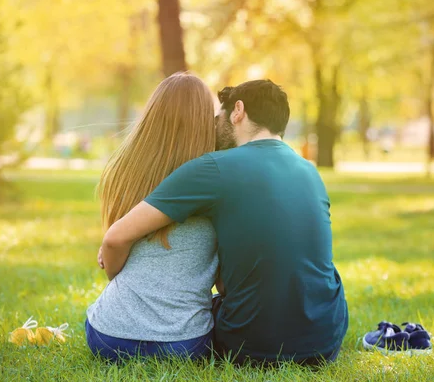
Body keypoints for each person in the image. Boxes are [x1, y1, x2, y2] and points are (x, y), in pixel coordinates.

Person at [99, 79, 349, 365]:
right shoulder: (310, 172)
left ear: (237, 111)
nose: (214, 126)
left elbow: (117, 236)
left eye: (218, 116)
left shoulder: (214, 167)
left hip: (251, 348)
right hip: (326, 343)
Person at [86, 73, 218, 362]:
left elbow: (114, 245)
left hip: (108, 334)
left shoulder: (125, 169)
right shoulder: (216, 179)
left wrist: (118, 280)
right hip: (184, 344)